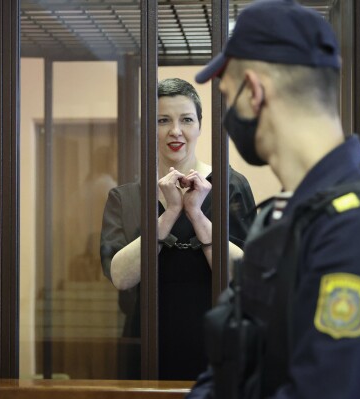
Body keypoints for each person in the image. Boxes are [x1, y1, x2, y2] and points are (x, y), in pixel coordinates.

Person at [188, 0, 360, 397]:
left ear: (254, 91)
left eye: (227, 95)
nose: (228, 114)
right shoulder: (278, 218)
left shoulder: (356, 228)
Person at [100, 78, 255, 380]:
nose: (175, 131)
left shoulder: (231, 187)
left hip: (219, 344)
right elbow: (120, 276)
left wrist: (196, 215)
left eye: (186, 119)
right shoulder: (126, 197)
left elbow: (247, 278)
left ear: (199, 125)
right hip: (146, 345)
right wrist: (170, 213)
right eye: (162, 120)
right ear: (149, 129)